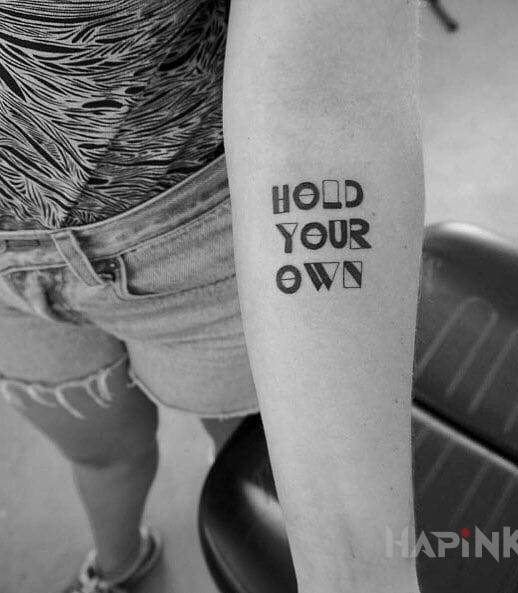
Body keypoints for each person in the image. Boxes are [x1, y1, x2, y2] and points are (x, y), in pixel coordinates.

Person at [0, 1, 424, 592]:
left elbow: (321, 111)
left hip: (201, 235)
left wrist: (354, 574)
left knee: (240, 454)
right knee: (99, 455)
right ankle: (119, 566)